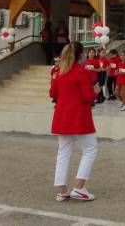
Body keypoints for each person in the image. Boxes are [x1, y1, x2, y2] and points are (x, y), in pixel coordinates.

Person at [50, 41, 100, 202]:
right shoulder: (81, 72)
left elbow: (53, 93)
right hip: (79, 115)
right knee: (90, 149)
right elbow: (87, 97)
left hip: (62, 115)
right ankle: (79, 187)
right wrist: (96, 92)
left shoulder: (58, 71)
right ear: (80, 55)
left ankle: (62, 189)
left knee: (63, 152)